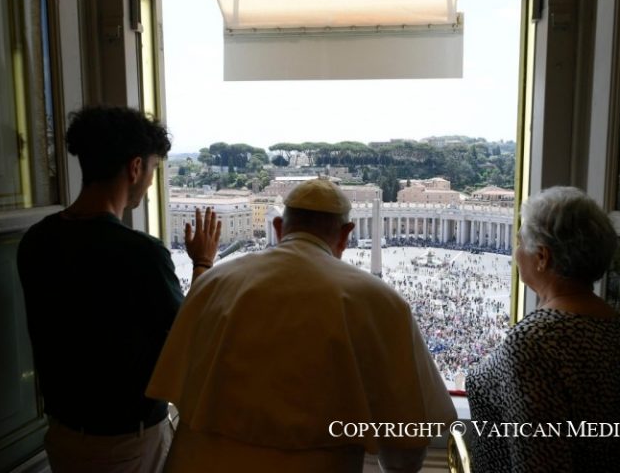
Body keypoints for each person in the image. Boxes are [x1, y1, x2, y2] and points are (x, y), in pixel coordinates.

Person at [146, 179, 456, 473]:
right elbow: (406, 447)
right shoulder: (380, 302)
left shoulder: (212, 282)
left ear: (278, 228)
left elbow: (175, 387)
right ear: (347, 234)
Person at [17, 106, 221, 473]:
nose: (151, 182)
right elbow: (190, 336)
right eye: (153, 169)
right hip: (125, 442)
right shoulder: (141, 254)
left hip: (63, 435)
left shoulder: (36, 240)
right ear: (135, 167)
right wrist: (203, 263)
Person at [466, 186, 620, 472]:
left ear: (542, 257)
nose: (516, 252)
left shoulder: (534, 340)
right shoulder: (611, 319)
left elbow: (539, 463)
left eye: (519, 242)